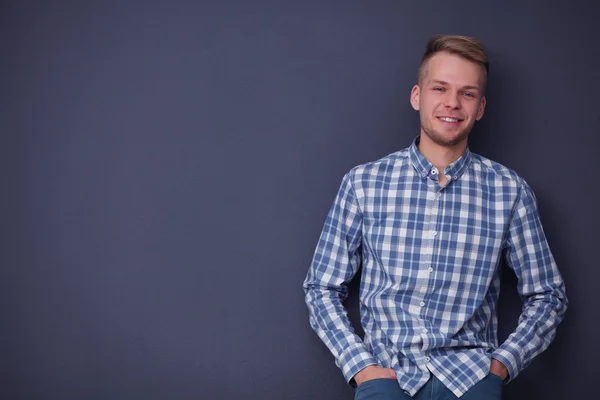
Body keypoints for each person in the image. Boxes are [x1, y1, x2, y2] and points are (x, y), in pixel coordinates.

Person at [303, 34, 567, 400]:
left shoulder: (510, 191)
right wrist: (361, 368)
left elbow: (548, 294)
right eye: (439, 88)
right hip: (387, 377)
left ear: (481, 107)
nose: (452, 103)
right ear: (417, 96)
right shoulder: (364, 183)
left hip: (470, 380)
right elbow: (321, 287)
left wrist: (501, 366)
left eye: (467, 93)